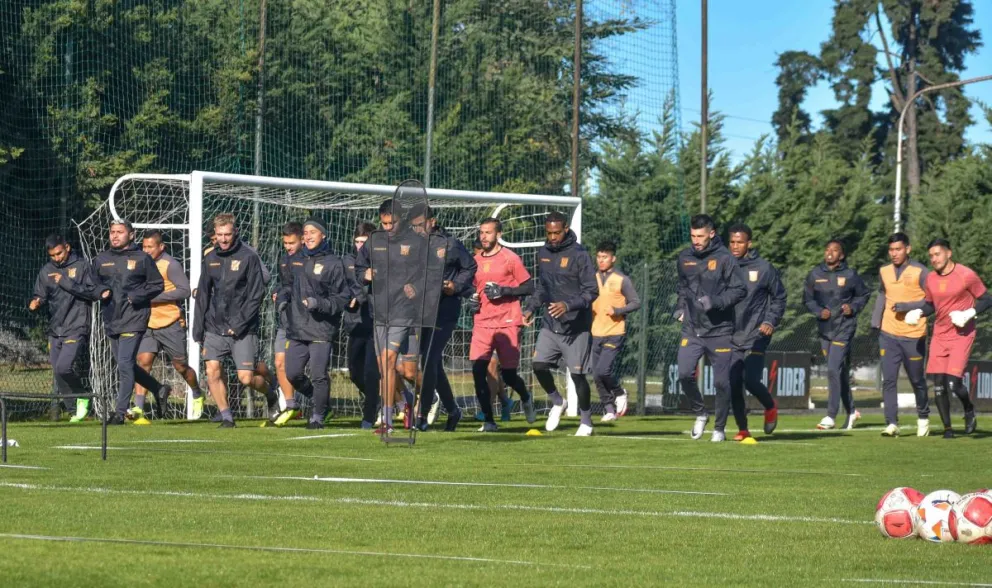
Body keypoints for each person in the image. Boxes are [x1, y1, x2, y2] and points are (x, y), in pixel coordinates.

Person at [356, 199, 447, 434]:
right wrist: (364, 275)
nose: (388, 227)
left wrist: (416, 287)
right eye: (384, 223)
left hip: (406, 312)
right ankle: (401, 407)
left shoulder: (416, 243)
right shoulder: (374, 242)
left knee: (389, 359)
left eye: (392, 223)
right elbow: (358, 267)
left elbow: (433, 271)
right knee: (390, 367)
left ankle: (392, 417)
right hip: (381, 311)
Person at [894, 238, 991, 438]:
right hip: (940, 334)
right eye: (931, 255)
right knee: (938, 384)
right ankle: (948, 429)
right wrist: (920, 312)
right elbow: (930, 304)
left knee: (953, 383)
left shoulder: (966, 275)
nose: (934, 259)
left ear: (949, 253)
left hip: (962, 334)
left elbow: (987, 299)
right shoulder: (930, 278)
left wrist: (969, 314)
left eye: (937, 254)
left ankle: (969, 409)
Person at [192, 213, 276, 428]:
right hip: (214, 326)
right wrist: (198, 328)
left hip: (243, 328)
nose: (224, 239)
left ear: (235, 232)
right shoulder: (210, 258)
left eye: (227, 234)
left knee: (246, 378)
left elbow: (256, 294)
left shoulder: (249, 256)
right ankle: (227, 416)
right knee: (212, 370)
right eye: (219, 235)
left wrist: (239, 323)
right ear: (215, 235)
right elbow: (203, 294)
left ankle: (270, 393)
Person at [89, 220, 172, 425]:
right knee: (125, 365)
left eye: (120, 232)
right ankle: (159, 389)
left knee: (125, 364)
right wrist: (100, 291)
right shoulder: (101, 259)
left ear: (131, 235)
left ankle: (119, 412)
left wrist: (137, 295)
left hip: (134, 318)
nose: (115, 236)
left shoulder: (142, 258)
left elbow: (157, 285)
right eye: (112, 232)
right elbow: (91, 284)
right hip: (112, 318)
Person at [523, 211, 598, 436]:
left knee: (577, 375)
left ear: (565, 229)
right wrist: (529, 308)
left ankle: (586, 421)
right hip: (550, 323)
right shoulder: (543, 252)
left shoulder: (580, 255)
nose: (553, 237)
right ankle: (557, 401)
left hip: (576, 327)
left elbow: (591, 291)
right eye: (549, 233)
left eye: (557, 232)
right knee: (538, 365)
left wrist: (568, 305)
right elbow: (542, 287)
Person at [674, 215, 746, 442]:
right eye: (693, 236)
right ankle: (700, 413)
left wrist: (715, 301)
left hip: (720, 330)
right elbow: (683, 288)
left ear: (711, 234)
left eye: (700, 236)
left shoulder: (725, 258)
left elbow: (739, 290)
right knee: (684, 373)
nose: (696, 241)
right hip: (692, 328)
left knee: (721, 383)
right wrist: (679, 308)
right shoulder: (684, 257)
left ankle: (719, 429)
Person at [274, 218, 351, 429]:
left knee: (318, 374)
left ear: (323, 235)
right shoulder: (296, 260)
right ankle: (322, 403)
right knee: (292, 373)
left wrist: (320, 304)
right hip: (297, 327)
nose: (308, 236)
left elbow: (342, 297)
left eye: (312, 232)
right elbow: (287, 286)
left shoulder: (333, 263)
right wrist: (282, 299)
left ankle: (317, 415)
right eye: (305, 233)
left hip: (321, 329)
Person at [467, 218, 536, 431]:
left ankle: (525, 397)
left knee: (508, 374)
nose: (483, 236)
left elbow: (529, 287)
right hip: (482, 322)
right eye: (481, 232)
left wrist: (505, 291)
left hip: (507, 322)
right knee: (478, 370)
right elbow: (471, 289)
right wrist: (471, 300)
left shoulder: (510, 258)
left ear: (498, 234)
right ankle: (489, 420)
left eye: (488, 232)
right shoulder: (474, 261)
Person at [414, 208, 476, 431]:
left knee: (429, 359)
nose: (417, 228)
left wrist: (455, 286)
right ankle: (453, 410)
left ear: (432, 221)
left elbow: (470, 267)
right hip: (421, 311)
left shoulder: (450, 243)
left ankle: (421, 415)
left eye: (421, 223)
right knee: (433, 363)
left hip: (446, 310)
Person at [131, 230, 202, 424]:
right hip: (147, 323)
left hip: (170, 323)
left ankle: (196, 393)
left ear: (161, 247)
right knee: (143, 362)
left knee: (180, 366)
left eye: (150, 247)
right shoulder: (140, 263)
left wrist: (153, 297)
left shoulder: (170, 265)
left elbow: (185, 290)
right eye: (143, 246)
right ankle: (138, 407)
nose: (146, 251)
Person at [803, 239, 870, 431]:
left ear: (841, 255)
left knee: (832, 369)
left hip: (844, 328)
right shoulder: (815, 274)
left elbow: (863, 295)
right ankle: (851, 411)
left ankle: (830, 415)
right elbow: (807, 299)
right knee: (838, 373)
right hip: (825, 330)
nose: (830, 253)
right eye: (827, 249)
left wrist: (853, 308)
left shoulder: (850, 275)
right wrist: (818, 311)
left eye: (834, 250)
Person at [726, 223, 784, 441]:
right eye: (732, 241)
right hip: (731, 334)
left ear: (749, 243)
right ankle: (743, 429)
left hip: (757, 333)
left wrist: (770, 320)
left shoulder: (764, 268)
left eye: (739, 242)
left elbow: (779, 297)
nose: (735, 246)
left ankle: (770, 405)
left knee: (750, 380)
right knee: (733, 382)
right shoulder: (724, 266)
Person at [29, 234, 95, 422]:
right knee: (58, 371)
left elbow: (91, 292)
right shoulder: (46, 271)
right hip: (55, 328)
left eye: (59, 253)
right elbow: (40, 294)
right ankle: (74, 410)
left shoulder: (81, 266)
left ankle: (83, 395)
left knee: (64, 367)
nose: (57, 258)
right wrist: (36, 302)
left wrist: (66, 282)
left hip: (76, 324)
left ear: (67, 247)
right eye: (53, 255)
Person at [870, 233, 931, 437]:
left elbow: (931, 302)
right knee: (889, 379)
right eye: (891, 250)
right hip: (888, 333)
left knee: (917, 380)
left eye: (898, 249)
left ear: (908, 249)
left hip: (914, 334)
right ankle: (891, 423)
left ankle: (923, 417)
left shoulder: (921, 271)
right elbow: (882, 294)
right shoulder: (884, 271)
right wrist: (876, 319)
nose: (894, 254)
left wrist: (907, 307)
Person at [590, 241, 640, 423]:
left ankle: (619, 392)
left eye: (605, 257)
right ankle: (609, 409)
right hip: (596, 331)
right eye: (599, 257)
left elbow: (636, 302)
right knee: (596, 375)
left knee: (604, 370)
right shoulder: (592, 278)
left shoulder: (621, 279)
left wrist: (618, 311)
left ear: (613, 258)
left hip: (615, 331)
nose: (601, 260)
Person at [342, 222, 376, 428]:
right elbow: (340, 286)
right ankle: (396, 400)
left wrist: (360, 296)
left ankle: (370, 414)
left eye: (364, 242)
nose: (360, 246)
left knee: (373, 372)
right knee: (355, 373)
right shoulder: (347, 261)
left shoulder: (382, 260)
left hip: (375, 323)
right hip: (354, 323)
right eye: (357, 242)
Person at [271, 222, 304, 423]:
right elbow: (284, 284)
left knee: (300, 369)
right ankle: (291, 405)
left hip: (305, 323)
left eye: (292, 243)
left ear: (302, 240)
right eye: (285, 243)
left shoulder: (309, 260)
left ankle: (321, 406)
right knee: (279, 362)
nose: (288, 247)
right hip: (286, 321)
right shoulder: (283, 260)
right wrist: (278, 292)